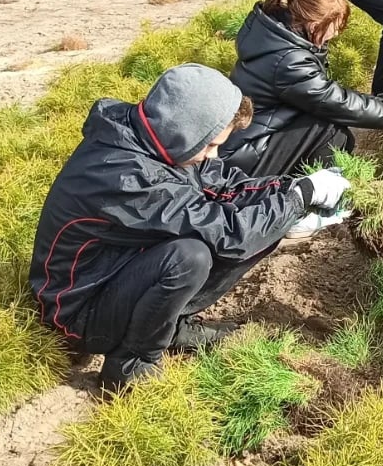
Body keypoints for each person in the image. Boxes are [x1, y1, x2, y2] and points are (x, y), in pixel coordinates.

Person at [30, 64, 349, 394]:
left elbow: (225, 188)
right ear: (185, 129)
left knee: (240, 228)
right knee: (189, 256)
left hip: (117, 270)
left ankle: (170, 327)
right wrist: (300, 198)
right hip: (76, 311)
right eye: (210, 145)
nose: (213, 155)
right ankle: (130, 365)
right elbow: (230, 233)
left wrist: (290, 191)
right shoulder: (124, 175)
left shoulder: (155, 139)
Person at [222, 0, 383, 177]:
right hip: (244, 159)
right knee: (329, 130)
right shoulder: (289, 61)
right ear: (313, 25)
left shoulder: (274, 37)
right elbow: (337, 103)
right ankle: (315, 200)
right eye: (335, 27)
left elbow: (326, 95)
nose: (337, 33)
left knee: (329, 124)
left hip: (242, 142)